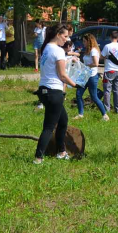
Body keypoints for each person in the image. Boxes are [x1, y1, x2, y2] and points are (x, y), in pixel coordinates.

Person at [34, 24, 79, 164]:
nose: (67, 39)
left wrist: (69, 60)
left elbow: (53, 65)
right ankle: (38, 158)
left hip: (44, 90)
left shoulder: (47, 47)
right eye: (65, 36)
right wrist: (76, 85)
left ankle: (61, 151)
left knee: (63, 121)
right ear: (58, 35)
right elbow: (62, 75)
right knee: (49, 126)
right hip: (54, 92)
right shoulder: (58, 50)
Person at [74, 33, 109, 121]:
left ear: (89, 41)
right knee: (78, 94)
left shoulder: (94, 51)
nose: (83, 43)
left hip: (92, 76)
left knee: (94, 97)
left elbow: (95, 64)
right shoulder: (87, 50)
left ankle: (105, 115)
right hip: (84, 75)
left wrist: (85, 66)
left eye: (85, 41)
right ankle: (80, 114)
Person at [101, 30, 118, 114]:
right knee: (117, 91)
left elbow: (102, 56)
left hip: (109, 70)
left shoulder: (107, 46)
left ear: (110, 37)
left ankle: (106, 109)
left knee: (107, 90)